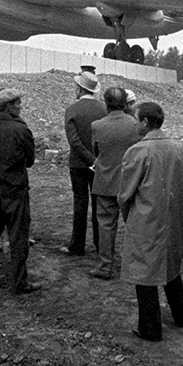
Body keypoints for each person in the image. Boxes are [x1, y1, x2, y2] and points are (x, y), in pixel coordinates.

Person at [118, 101, 183, 340]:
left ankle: (150, 328)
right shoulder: (177, 148)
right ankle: (181, 315)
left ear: (145, 122)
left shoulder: (137, 151)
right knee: (171, 266)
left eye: (136, 119)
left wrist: (129, 217)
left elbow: (125, 194)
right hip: (173, 216)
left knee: (145, 273)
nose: (135, 124)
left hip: (146, 219)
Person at [0, 89, 41, 296]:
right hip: (15, 192)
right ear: (9, 106)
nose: (21, 106)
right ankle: (20, 282)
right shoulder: (21, 130)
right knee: (18, 238)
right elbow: (29, 161)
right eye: (18, 103)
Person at [89, 87, 142, 279]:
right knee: (135, 224)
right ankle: (136, 263)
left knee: (105, 225)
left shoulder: (97, 126)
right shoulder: (136, 125)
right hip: (130, 182)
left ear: (106, 103)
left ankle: (105, 266)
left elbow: (96, 151)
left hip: (105, 182)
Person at [62, 71, 106, 257]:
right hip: (100, 165)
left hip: (79, 164)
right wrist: (96, 161)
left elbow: (74, 142)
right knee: (99, 205)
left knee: (80, 203)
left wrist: (89, 160)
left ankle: (77, 245)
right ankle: (99, 244)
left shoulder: (72, 110)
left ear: (80, 88)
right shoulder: (104, 109)